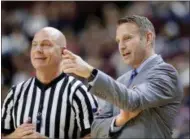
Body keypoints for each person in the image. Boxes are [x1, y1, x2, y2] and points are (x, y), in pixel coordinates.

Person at [61, 15, 183, 138]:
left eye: (127, 38)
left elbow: (133, 101)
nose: (121, 46)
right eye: (118, 41)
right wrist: (119, 120)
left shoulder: (166, 73)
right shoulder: (121, 80)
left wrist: (90, 72)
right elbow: (96, 128)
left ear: (148, 37)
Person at [2, 27, 98, 139]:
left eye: (46, 44)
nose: (38, 49)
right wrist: (14, 136)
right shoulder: (15, 93)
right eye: (34, 44)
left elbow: (95, 136)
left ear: (63, 52)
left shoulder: (79, 92)